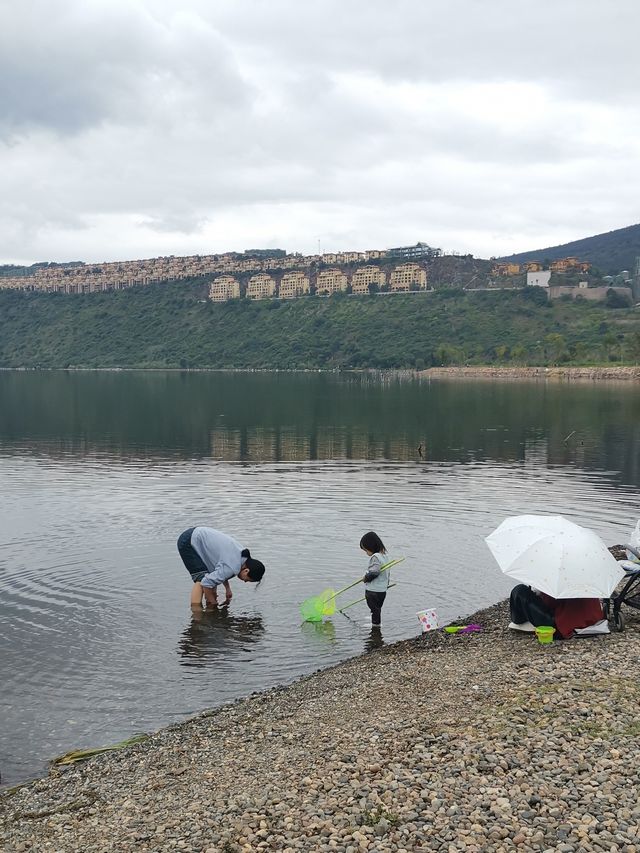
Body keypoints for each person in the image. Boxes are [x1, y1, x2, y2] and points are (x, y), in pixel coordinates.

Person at [177, 526, 265, 608]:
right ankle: (196, 614)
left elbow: (222, 570)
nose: (245, 581)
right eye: (248, 579)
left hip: (197, 534)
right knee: (200, 579)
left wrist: (227, 589)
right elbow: (206, 583)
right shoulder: (233, 567)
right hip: (188, 541)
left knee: (212, 577)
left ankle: (208, 607)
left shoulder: (242, 556)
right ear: (246, 571)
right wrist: (213, 605)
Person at [509, 584, 604, 639]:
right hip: (592, 620)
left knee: (520, 590)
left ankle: (518, 620)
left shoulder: (557, 579)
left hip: (558, 628)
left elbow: (550, 603)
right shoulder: (582, 576)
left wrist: (541, 593)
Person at [360, 531, 392, 628]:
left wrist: (366, 578)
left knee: (374, 608)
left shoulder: (375, 557)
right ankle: (375, 618)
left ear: (371, 546)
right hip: (382, 590)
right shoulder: (385, 556)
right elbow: (387, 573)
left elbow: (374, 572)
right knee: (377, 608)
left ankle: (375, 624)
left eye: (366, 550)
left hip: (373, 590)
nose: (366, 553)